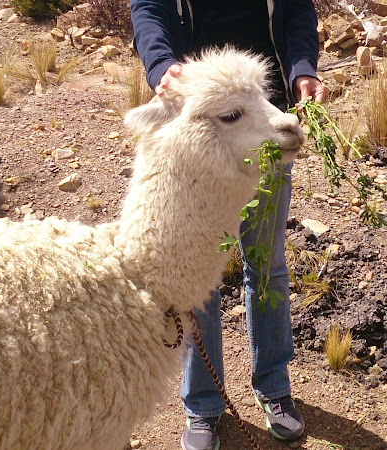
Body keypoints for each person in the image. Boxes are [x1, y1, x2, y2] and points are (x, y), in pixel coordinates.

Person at [129, 1, 325, 449]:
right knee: (196, 273)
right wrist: (162, 64)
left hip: (258, 119)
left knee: (268, 265)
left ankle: (274, 388)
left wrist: (301, 68)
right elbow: (148, 8)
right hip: (205, 125)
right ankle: (203, 404)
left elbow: (297, 11)